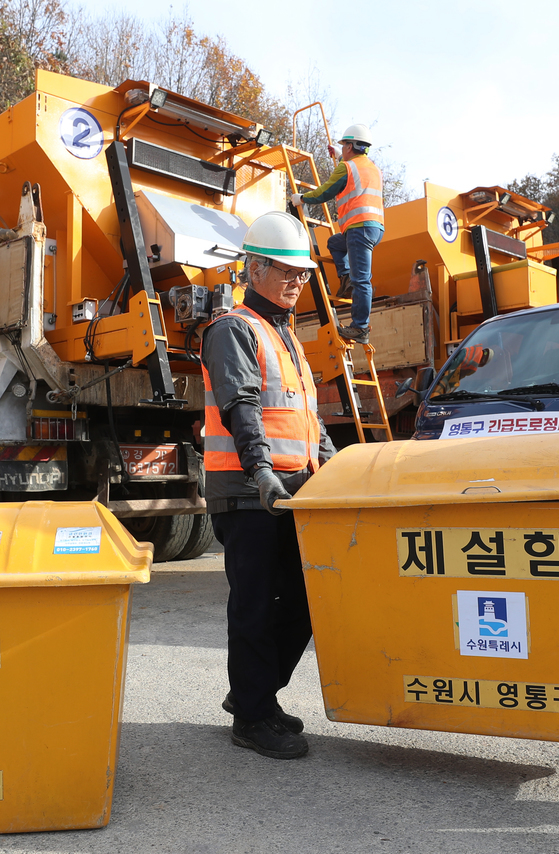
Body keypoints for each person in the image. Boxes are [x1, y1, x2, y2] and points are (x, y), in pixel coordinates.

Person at [200, 210, 338, 760]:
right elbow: (243, 407)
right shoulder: (233, 329)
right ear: (254, 269)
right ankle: (253, 717)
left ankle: (254, 695)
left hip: (292, 491)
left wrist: (335, 471)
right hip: (248, 492)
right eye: (286, 271)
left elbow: (308, 419)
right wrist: (260, 469)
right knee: (255, 604)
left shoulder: (287, 337)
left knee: (304, 601)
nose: (297, 281)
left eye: (303, 273)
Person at [291, 123, 384, 343]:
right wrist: (338, 152)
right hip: (374, 228)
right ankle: (345, 279)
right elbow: (354, 170)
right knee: (334, 242)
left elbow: (326, 192)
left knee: (362, 280)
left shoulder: (347, 167)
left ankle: (360, 327)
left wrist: (301, 198)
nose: (342, 149)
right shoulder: (371, 167)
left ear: (351, 147)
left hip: (358, 228)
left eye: (344, 145)